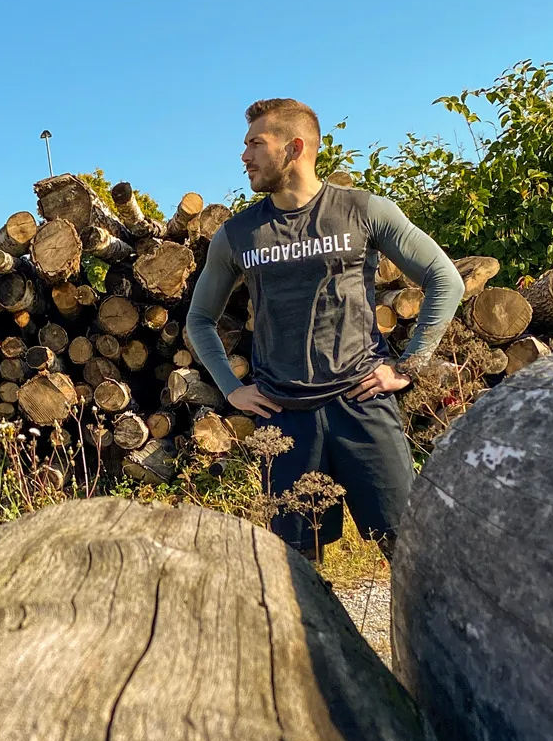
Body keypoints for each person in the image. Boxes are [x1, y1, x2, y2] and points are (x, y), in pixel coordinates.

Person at [184, 97, 463, 556]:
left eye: (256, 143)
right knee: (293, 564)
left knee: (412, 551)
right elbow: (199, 319)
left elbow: (445, 280)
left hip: (362, 406)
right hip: (283, 419)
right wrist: (232, 389)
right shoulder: (237, 234)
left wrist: (408, 366)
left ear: (294, 148)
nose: (244, 155)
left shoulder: (363, 210)